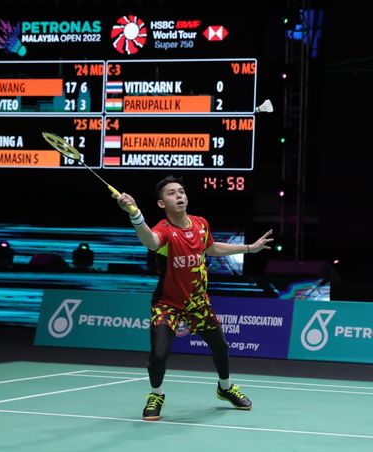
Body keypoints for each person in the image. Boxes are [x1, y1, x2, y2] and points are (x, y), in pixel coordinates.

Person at [114, 175, 274, 421]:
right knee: (158, 355)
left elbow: (211, 248)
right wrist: (134, 214)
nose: (179, 195)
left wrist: (250, 248)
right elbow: (151, 241)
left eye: (181, 191)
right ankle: (156, 394)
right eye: (171, 193)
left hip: (198, 304)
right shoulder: (164, 231)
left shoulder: (200, 224)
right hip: (167, 304)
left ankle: (225, 387)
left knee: (221, 347)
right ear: (161, 204)